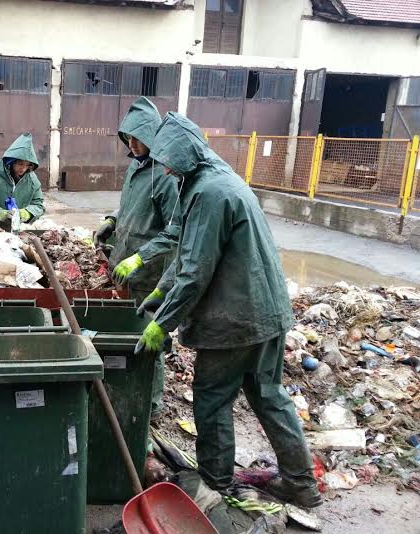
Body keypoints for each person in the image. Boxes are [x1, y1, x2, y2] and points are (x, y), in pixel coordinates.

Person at [135, 112, 321, 508]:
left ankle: (216, 483)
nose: (164, 169)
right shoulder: (214, 179)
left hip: (234, 319)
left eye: (168, 161)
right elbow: (188, 248)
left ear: (185, 155)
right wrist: (159, 291)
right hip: (268, 313)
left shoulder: (209, 193)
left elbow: (196, 270)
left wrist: (162, 324)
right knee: (269, 396)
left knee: (212, 397)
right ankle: (301, 484)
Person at [94, 96, 180, 421]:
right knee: (129, 333)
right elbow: (130, 208)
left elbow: (176, 228)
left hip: (152, 274)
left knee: (152, 338)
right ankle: (127, 387)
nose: (132, 144)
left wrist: (141, 258)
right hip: (126, 270)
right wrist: (112, 221)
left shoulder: (166, 175)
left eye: (137, 138)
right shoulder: (136, 167)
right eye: (128, 138)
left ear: (152, 136)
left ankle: (151, 405)